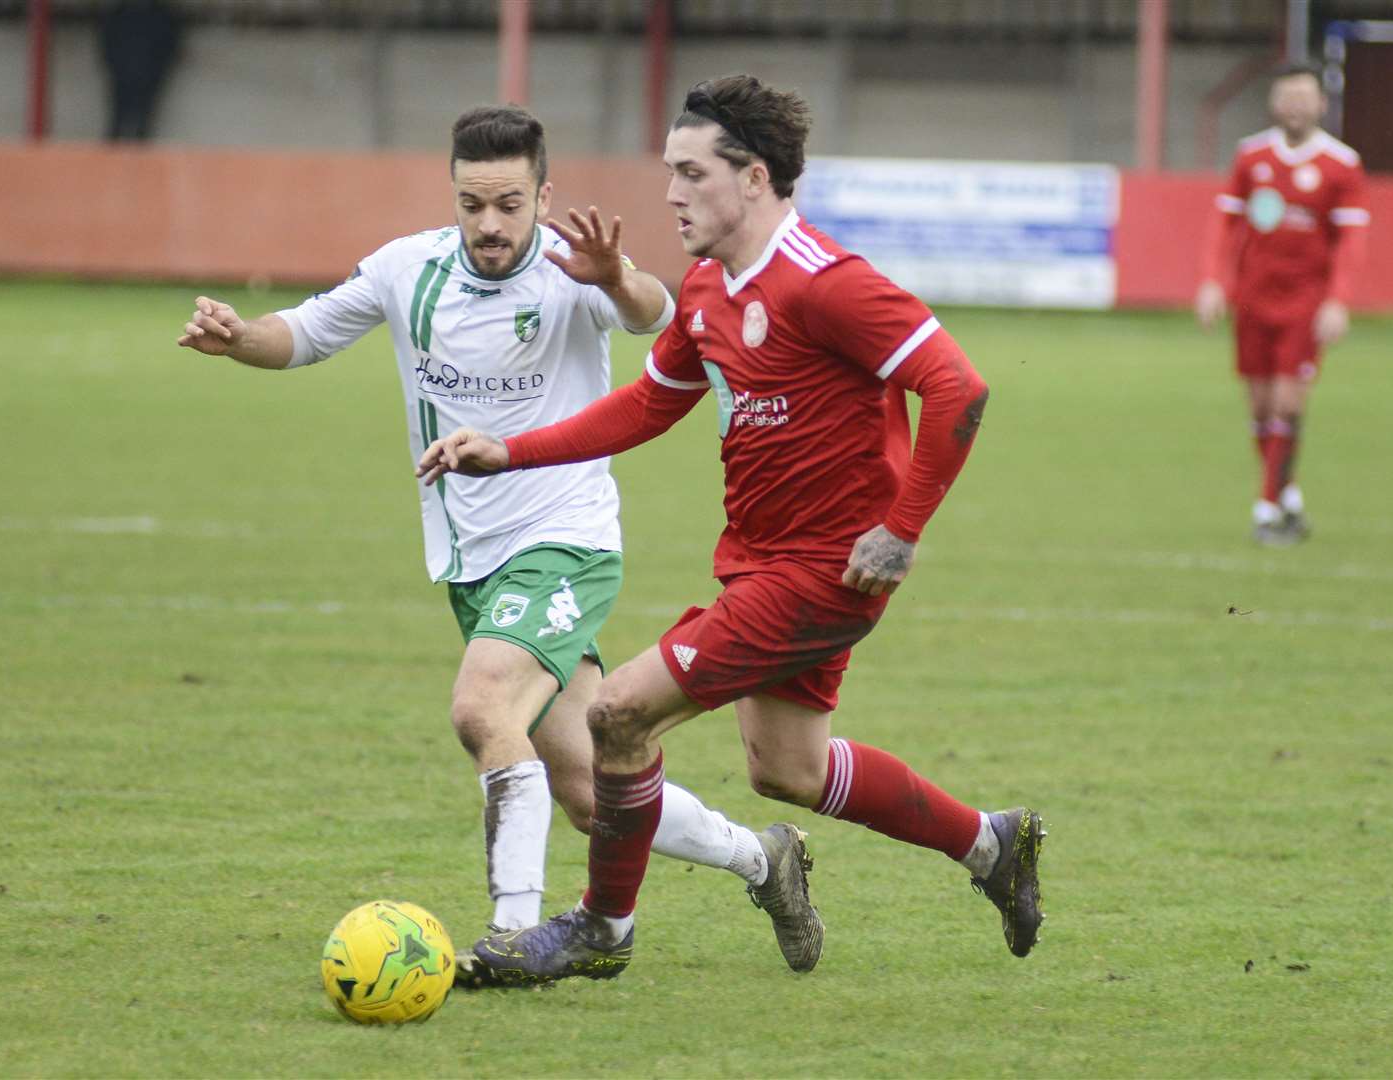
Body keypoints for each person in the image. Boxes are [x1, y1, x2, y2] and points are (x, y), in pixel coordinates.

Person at [418, 76, 1046, 986]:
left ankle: (603, 927)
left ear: (753, 178)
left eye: (690, 173)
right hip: (759, 564)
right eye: (669, 172)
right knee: (786, 769)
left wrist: (902, 529)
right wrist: (508, 451)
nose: (671, 193)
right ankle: (989, 844)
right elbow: (646, 405)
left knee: (618, 712)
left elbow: (958, 388)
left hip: (827, 571)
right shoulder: (709, 287)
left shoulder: (828, 285)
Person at [175, 104, 822, 982]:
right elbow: (308, 332)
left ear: (542, 195)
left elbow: (651, 313)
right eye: (473, 203)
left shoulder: (575, 270)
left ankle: (512, 931)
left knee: (482, 710)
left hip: (564, 542)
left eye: (510, 203)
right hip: (471, 561)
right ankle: (765, 859)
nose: (490, 223)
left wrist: (613, 275)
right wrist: (238, 337)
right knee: (594, 792)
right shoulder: (408, 270)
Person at [1195, 63, 1369, 546]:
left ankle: (1267, 508)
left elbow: (1351, 242)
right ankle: (1288, 497)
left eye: (1304, 96)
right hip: (1252, 300)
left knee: (1287, 405)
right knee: (1259, 407)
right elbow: (1225, 224)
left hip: (1305, 304)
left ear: (1322, 104)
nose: (1296, 105)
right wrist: (1213, 282)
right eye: (1287, 96)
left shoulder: (1342, 164)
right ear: (1275, 103)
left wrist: (1338, 301)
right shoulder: (1252, 156)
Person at [100, 0, 181, 141]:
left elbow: (169, 47)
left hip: (148, 76)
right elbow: (107, 44)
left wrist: (156, 70)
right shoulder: (119, 14)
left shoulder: (161, 16)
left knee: (143, 119)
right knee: (119, 117)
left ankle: (139, 153)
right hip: (123, 75)